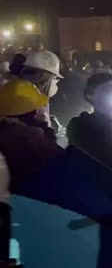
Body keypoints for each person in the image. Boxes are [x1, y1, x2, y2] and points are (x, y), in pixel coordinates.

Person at [0, 79, 62, 267]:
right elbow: (58, 159)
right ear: (32, 112)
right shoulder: (31, 137)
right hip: (30, 209)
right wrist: (47, 130)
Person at [20, 50, 63, 125]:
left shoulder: (17, 89)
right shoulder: (32, 100)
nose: (55, 81)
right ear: (43, 76)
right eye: (54, 77)